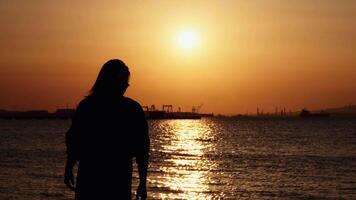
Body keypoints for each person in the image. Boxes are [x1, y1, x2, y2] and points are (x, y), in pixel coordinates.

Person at [64, 59, 150, 200]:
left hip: (106, 182)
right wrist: (68, 167)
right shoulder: (131, 109)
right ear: (109, 81)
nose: (124, 86)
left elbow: (142, 149)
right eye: (121, 82)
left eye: (126, 83)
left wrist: (143, 183)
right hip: (100, 182)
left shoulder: (87, 107)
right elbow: (74, 139)